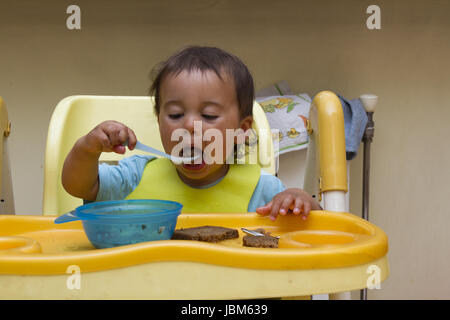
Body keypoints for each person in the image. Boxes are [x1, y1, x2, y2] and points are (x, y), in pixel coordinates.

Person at [62, 46, 321, 221]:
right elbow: (79, 185)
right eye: (175, 115)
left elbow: (310, 227)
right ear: (159, 121)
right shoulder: (136, 175)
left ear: (241, 131)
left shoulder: (263, 189)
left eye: (208, 116)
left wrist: (301, 202)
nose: (189, 127)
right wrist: (88, 148)